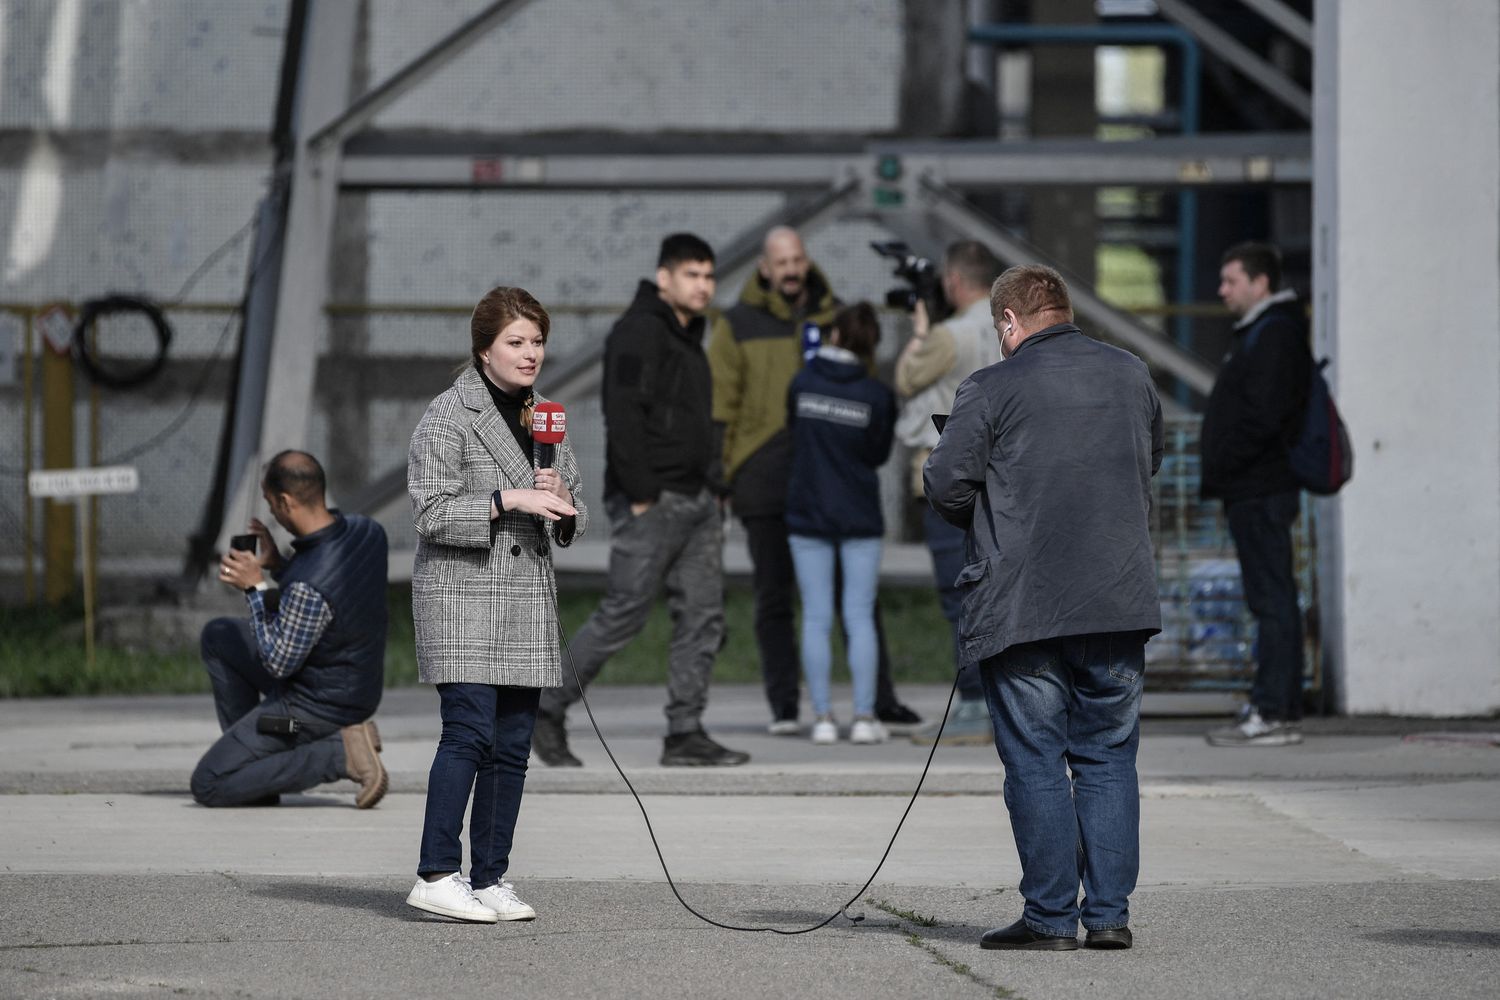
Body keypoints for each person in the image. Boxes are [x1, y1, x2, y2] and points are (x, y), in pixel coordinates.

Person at [925, 264, 1162, 952]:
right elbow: (1149, 460)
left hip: (1024, 606)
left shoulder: (991, 387)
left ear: (1009, 322)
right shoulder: (1133, 373)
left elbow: (945, 485)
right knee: (1108, 758)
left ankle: (1051, 919)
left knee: (1035, 761)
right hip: (1119, 600)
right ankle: (1110, 917)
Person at [531, 233, 749, 769]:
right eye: (692, 275)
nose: (704, 286)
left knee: (702, 618)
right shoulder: (637, 333)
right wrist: (642, 495)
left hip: (697, 501)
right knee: (623, 613)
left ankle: (684, 732)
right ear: (665, 277)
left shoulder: (687, 334)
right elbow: (622, 416)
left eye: (709, 276)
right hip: (653, 502)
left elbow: (698, 422)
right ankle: (545, 707)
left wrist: (714, 487)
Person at [404, 286, 587, 923]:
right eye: (516, 342)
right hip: (462, 597)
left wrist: (561, 498)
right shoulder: (446, 416)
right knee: (469, 734)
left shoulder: (546, 419)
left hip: (526, 600)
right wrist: (508, 499)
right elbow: (428, 511)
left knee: (512, 745)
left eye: (537, 341)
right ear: (485, 350)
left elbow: (574, 511)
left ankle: (490, 877)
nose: (530, 353)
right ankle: (435, 872)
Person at [710, 225, 922, 735]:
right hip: (763, 475)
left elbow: (867, 387)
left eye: (797, 260)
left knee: (856, 603)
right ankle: (786, 707)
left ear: (806, 262)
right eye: (780, 262)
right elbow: (721, 405)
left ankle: (877, 701)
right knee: (775, 598)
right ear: (764, 268)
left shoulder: (836, 315)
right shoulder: (736, 324)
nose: (790, 270)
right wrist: (721, 476)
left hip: (830, 478)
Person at [191, 451, 389, 810]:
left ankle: (341, 754)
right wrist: (280, 566)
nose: (272, 513)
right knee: (220, 636)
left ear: (285, 501)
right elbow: (333, 600)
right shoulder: (367, 532)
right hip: (357, 684)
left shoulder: (307, 585)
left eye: (270, 503)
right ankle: (258, 769)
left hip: (318, 705)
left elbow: (277, 662)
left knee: (210, 782)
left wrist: (254, 588)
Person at [1201, 242, 1313, 748]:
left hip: (1260, 487)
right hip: (1254, 486)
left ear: (1260, 282)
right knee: (1271, 598)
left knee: (1272, 599)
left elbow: (1265, 416)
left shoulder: (1275, 334)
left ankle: (1275, 711)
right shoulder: (1263, 332)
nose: (1222, 290)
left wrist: (1226, 461)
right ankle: (1276, 704)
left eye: (1231, 281)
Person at [894, 240, 1004, 745]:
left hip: (950, 480)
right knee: (994, 591)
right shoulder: (1009, 329)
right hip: (1000, 482)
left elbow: (906, 377)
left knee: (956, 594)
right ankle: (1002, 699)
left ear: (954, 281)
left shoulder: (948, 335)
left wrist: (921, 325)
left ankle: (974, 705)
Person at [785, 303, 896, 744]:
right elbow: (877, 454)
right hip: (859, 515)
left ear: (833, 337)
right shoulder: (877, 395)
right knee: (859, 616)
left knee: (815, 617)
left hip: (807, 512)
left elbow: (794, 434)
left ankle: (824, 718)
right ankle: (865, 718)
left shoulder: (802, 383)